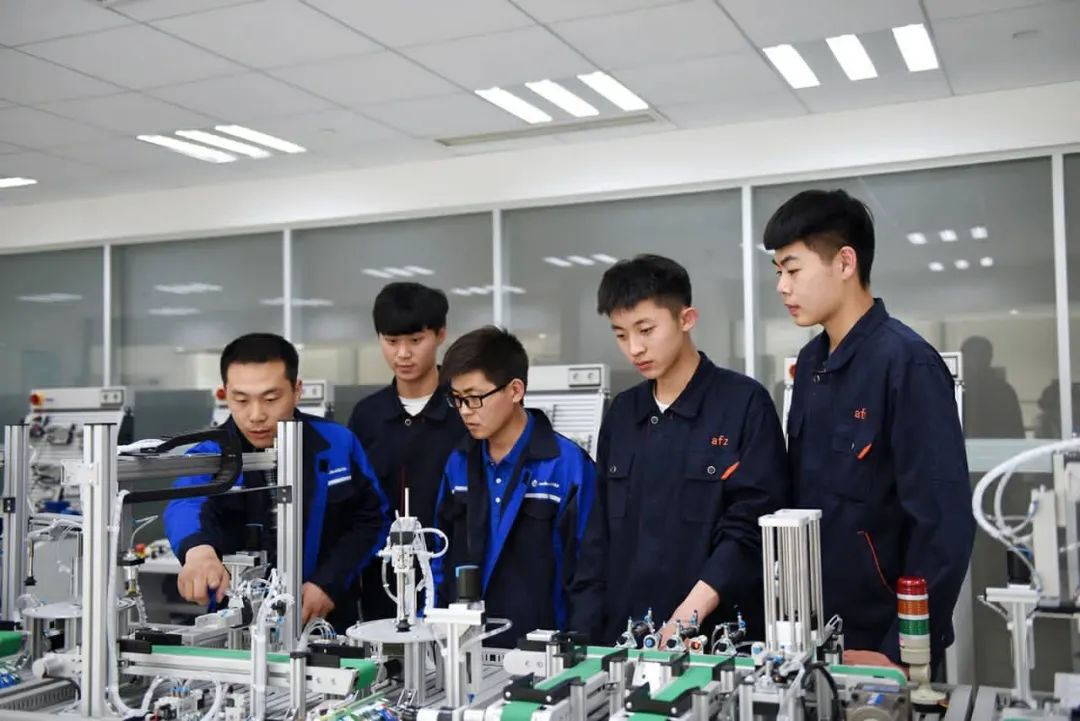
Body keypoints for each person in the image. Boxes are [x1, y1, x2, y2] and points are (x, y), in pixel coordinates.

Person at [765, 189, 974, 667]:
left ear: (844, 262)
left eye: (793, 270)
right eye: (778, 272)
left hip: (887, 641)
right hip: (818, 629)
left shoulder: (907, 364)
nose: (782, 287)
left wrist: (900, 651)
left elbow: (943, 527)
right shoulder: (812, 364)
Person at [571, 254, 789, 645]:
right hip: (624, 639)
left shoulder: (743, 404)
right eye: (620, 334)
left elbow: (750, 528)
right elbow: (597, 541)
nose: (634, 348)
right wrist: (582, 642)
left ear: (686, 319)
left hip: (714, 641)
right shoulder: (623, 413)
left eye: (646, 330)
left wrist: (687, 616)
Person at [164, 333, 390, 629]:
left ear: (297, 391)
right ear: (224, 393)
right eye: (241, 400)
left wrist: (328, 583)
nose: (256, 415)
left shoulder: (337, 443)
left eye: (271, 399)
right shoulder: (210, 454)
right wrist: (198, 552)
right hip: (238, 624)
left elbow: (372, 518)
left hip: (326, 620)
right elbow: (186, 503)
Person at [432, 326, 596, 643]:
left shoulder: (566, 466)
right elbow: (439, 556)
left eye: (475, 398)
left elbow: (588, 572)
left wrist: (577, 645)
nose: (465, 411)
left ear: (515, 390)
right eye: (457, 399)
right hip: (467, 644)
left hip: (543, 646)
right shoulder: (458, 463)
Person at [347, 283, 466, 621]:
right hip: (382, 584)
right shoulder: (367, 416)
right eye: (391, 341)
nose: (402, 354)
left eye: (415, 340)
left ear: (440, 334)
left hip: (455, 580)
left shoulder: (465, 410)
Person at [960, 336, 1024, 438]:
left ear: (988, 358)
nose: (974, 362)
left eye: (980, 356)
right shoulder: (953, 391)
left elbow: (1016, 434)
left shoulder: (1003, 393)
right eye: (970, 356)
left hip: (997, 447)